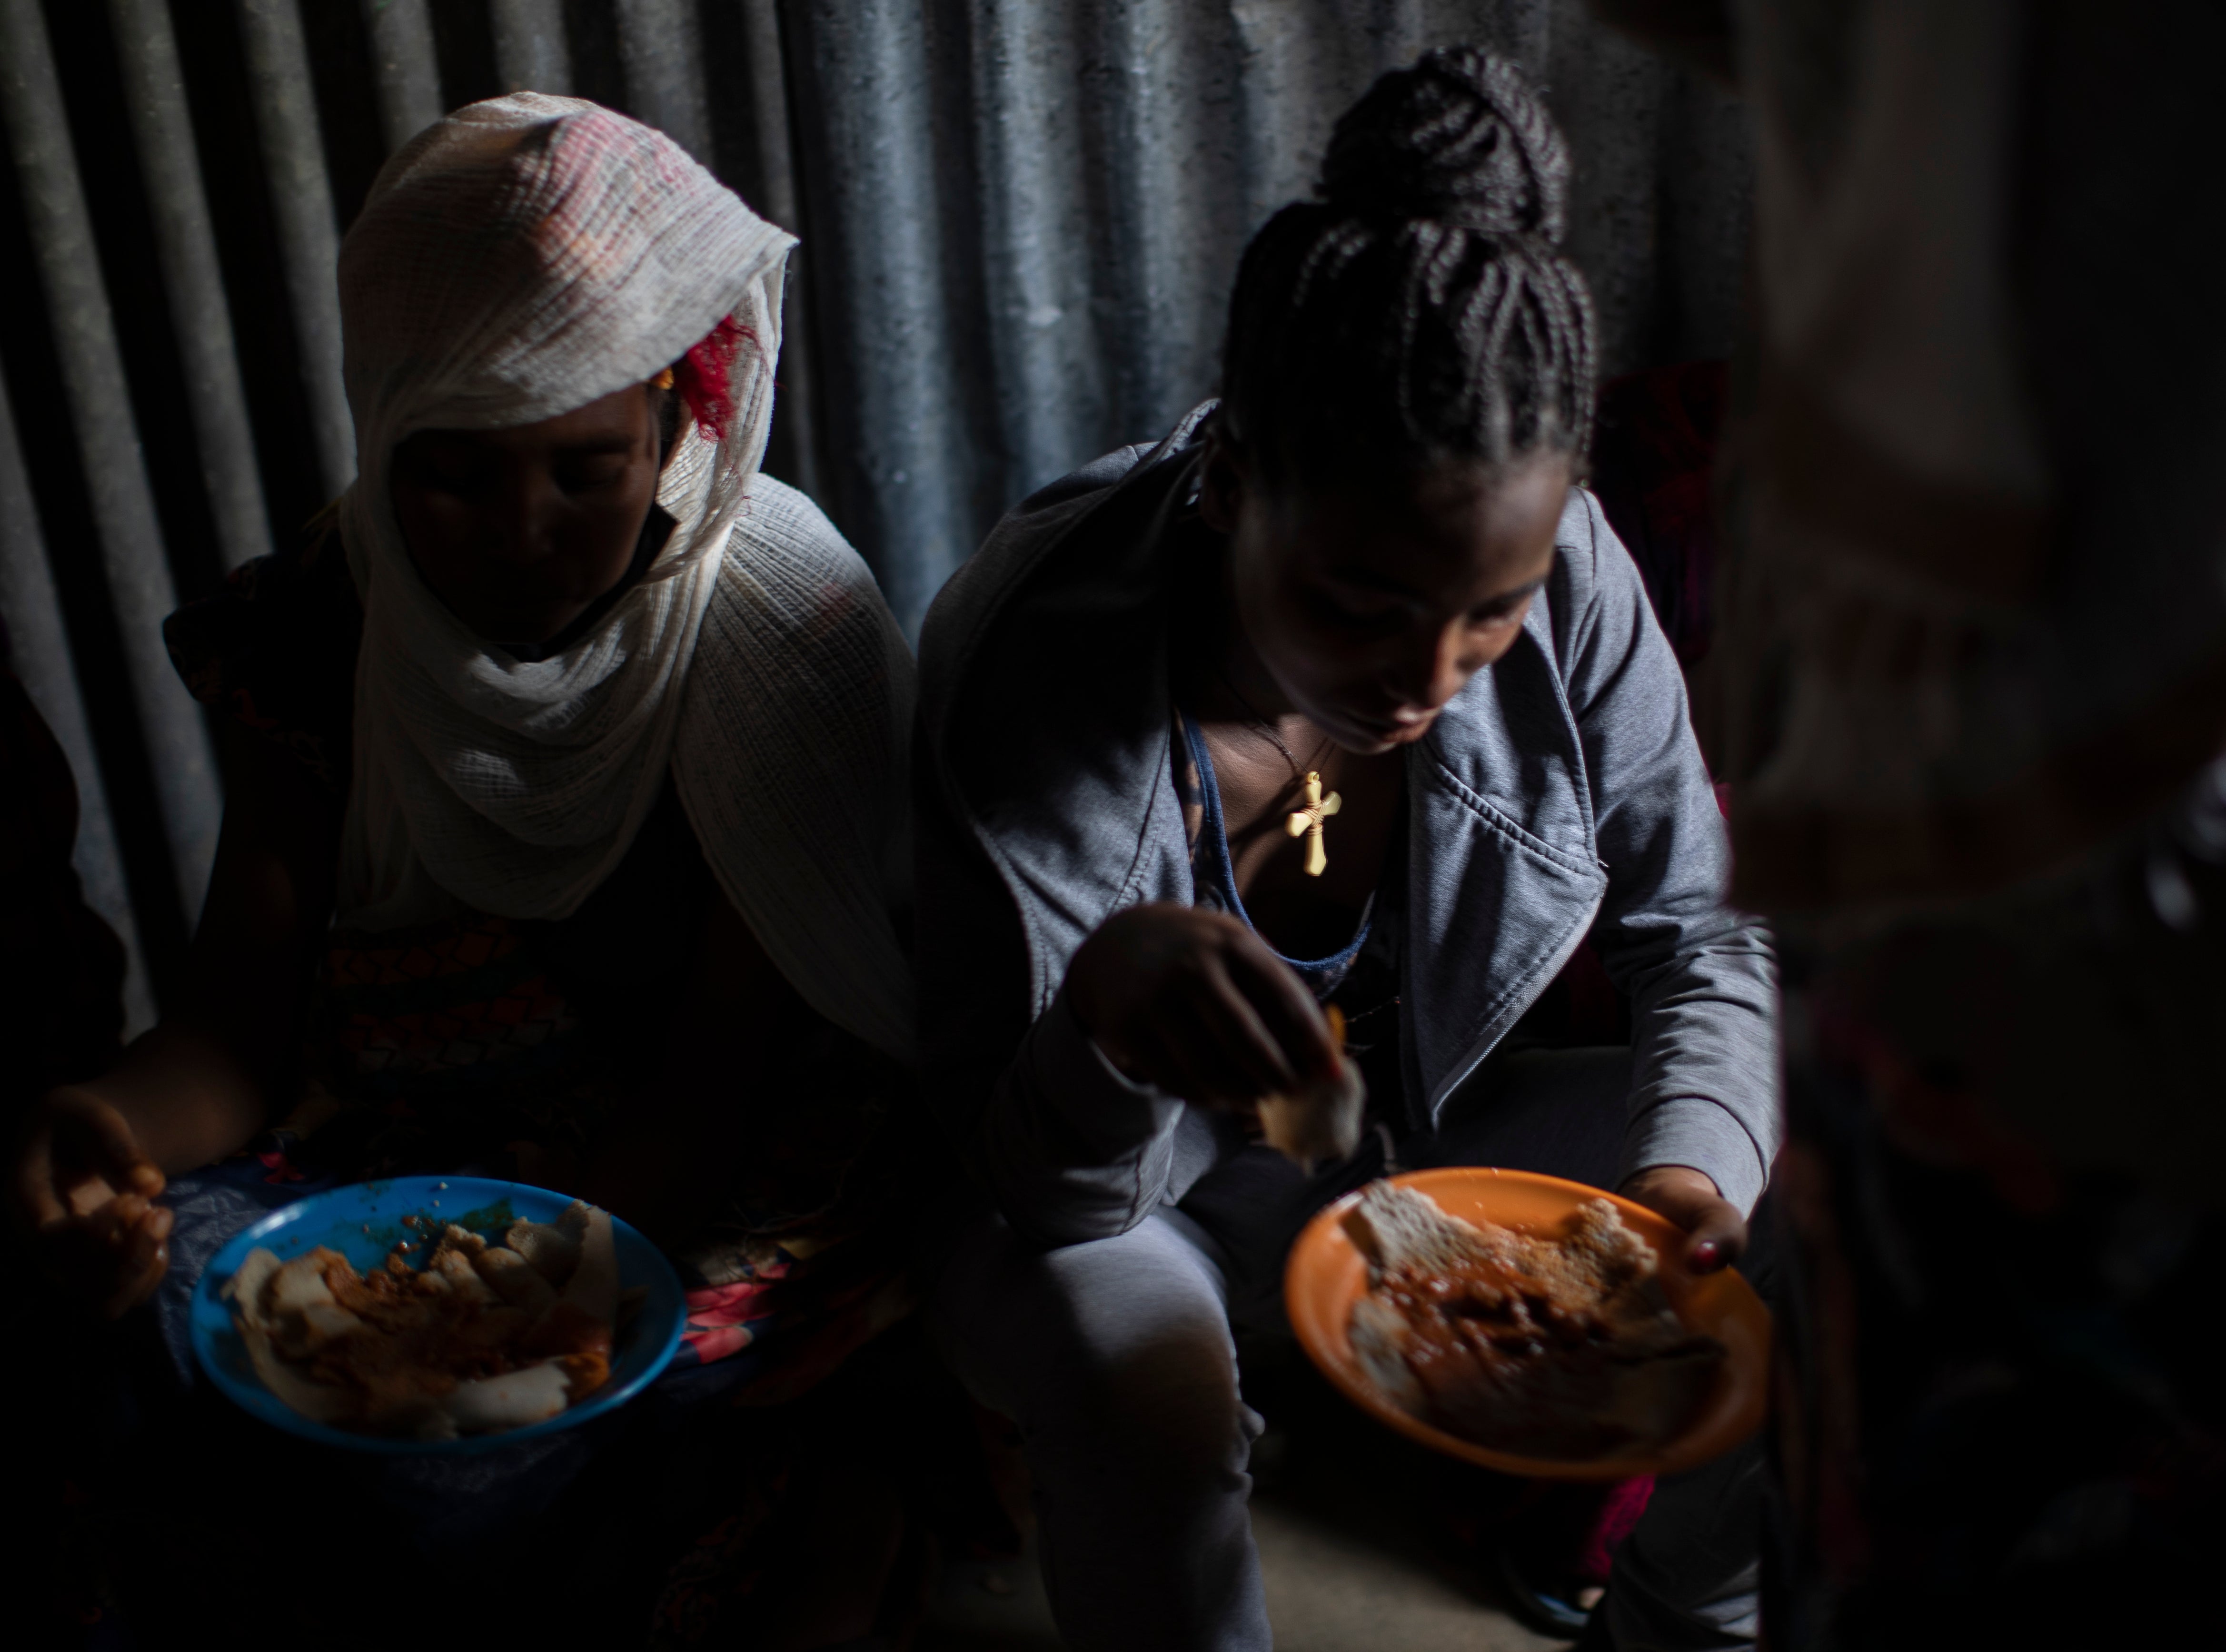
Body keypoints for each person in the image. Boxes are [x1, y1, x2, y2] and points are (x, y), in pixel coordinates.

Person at [8, 95, 926, 1647]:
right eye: (451, 475)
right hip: (414, 1145)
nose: (524, 535)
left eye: (587, 467)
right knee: (137, 1333)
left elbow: (707, 1098)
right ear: (379, 429)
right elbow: (237, 1034)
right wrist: (95, 1129)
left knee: (481, 1456)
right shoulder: (321, 620)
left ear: (678, 421)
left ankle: (836, 1515)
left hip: (711, 1175)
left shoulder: (772, 639)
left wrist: (462, 1328)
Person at [916, 47, 1779, 1652]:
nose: (1427, 679)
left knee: (1818, 1211)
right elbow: (1024, 1189)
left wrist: (1678, 1198)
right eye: (1359, 609)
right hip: (1123, 1208)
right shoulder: (1038, 661)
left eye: (1489, 617)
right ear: (1234, 483)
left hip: (1423, 1145)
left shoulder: (1567, 561)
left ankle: (1680, 1627)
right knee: (1147, 1409)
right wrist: (1110, 1013)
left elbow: (1702, 927)